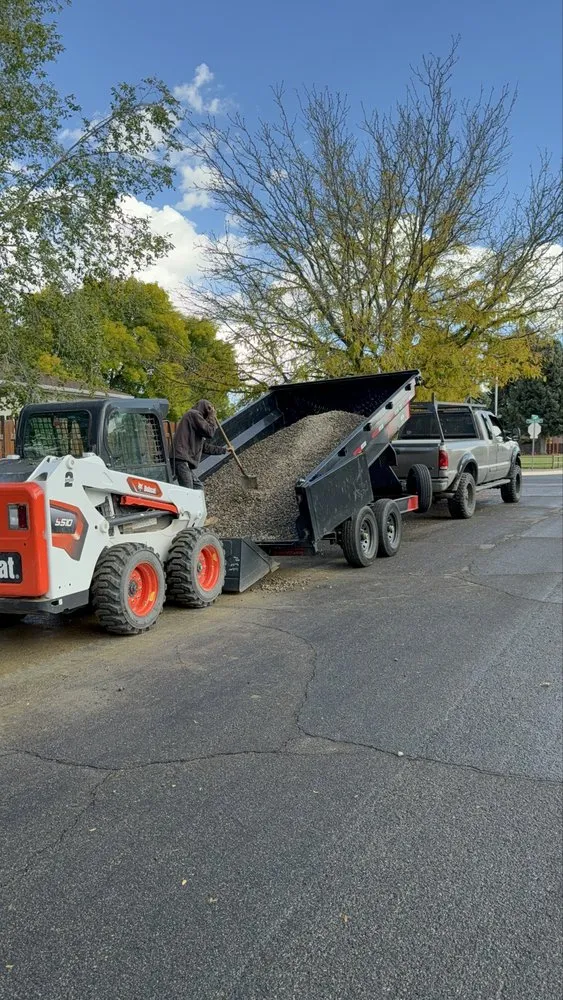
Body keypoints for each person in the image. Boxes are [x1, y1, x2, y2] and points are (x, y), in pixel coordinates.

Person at [173, 399, 229, 489]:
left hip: (182, 459)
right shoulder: (194, 414)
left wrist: (224, 450)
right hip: (181, 459)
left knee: (198, 487)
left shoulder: (195, 423)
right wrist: (212, 416)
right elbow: (210, 432)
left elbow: (204, 447)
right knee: (189, 491)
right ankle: (187, 503)